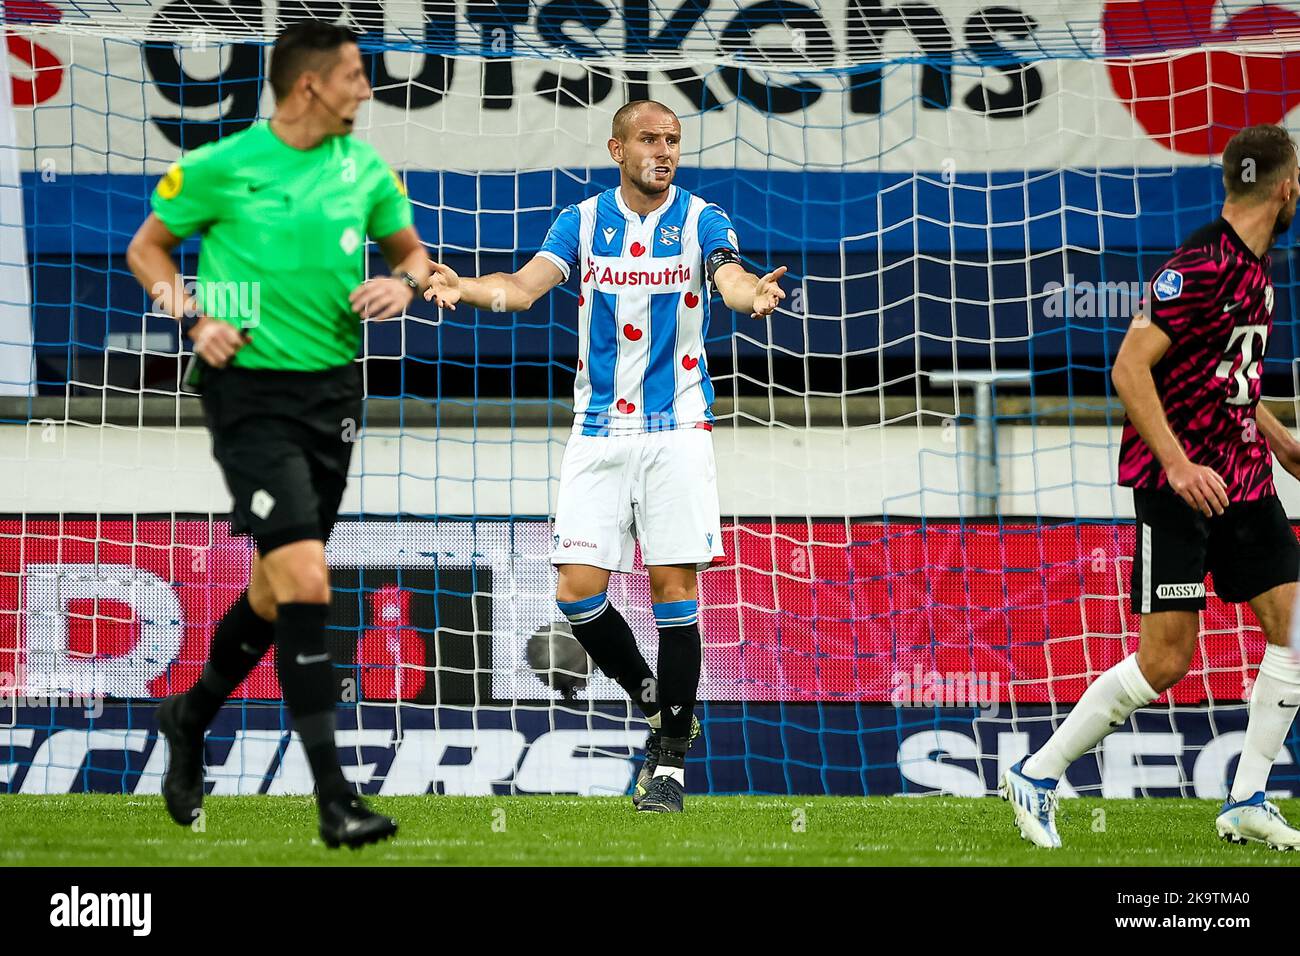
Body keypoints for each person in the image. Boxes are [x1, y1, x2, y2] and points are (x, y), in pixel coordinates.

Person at [425, 99, 786, 812]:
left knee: (673, 594)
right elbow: (524, 288)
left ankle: (673, 766)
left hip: (678, 429)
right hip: (597, 433)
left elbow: (728, 274)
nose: (664, 150)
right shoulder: (583, 222)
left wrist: (750, 297)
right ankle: (659, 708)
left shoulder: (701, 218)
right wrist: (463, 287)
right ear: (616, 147)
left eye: (674, 140)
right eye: (650, 139)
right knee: (576, 590)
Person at [126, 19, 429, 847]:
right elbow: (148, 249)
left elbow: (412, 256)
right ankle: (336, 799)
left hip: (333, 394)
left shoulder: (364, 169)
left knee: (277, 585)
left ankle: (188, 717)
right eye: (357, 76)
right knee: (305, 574)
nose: (367, 90)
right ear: (310, 85)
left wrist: (404, 284)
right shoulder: (222, 168)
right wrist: (187, 311)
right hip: (246, 393)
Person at [1003, 124, 1300, 850]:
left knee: (1294, 630)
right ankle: (1037, 774)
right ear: (1286, 186)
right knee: (1167, 660)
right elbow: (1131, 370)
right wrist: (1175, 464)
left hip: (1243, 477)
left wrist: (1278, 435)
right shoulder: (1198, 264)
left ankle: (1247, 799)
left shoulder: (1257, 270)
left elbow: (1218, 374)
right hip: (1178, 486)